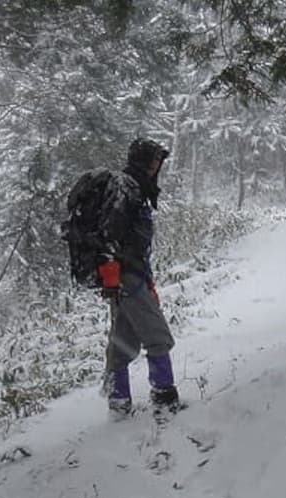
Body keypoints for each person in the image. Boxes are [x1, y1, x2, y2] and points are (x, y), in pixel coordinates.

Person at [96, 138, 182, 419]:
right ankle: (165, 399)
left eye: (159, 160)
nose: (157, 165)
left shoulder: (135, 188)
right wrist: (112, 274)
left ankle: (118, 405)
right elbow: (109, 235)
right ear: (142, 161)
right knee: (158, 337)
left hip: (129, 276)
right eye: (153, 160)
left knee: (123, 341)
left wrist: (146, 280)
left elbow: (133, 241)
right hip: (124, 277)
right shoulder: (126, 189)